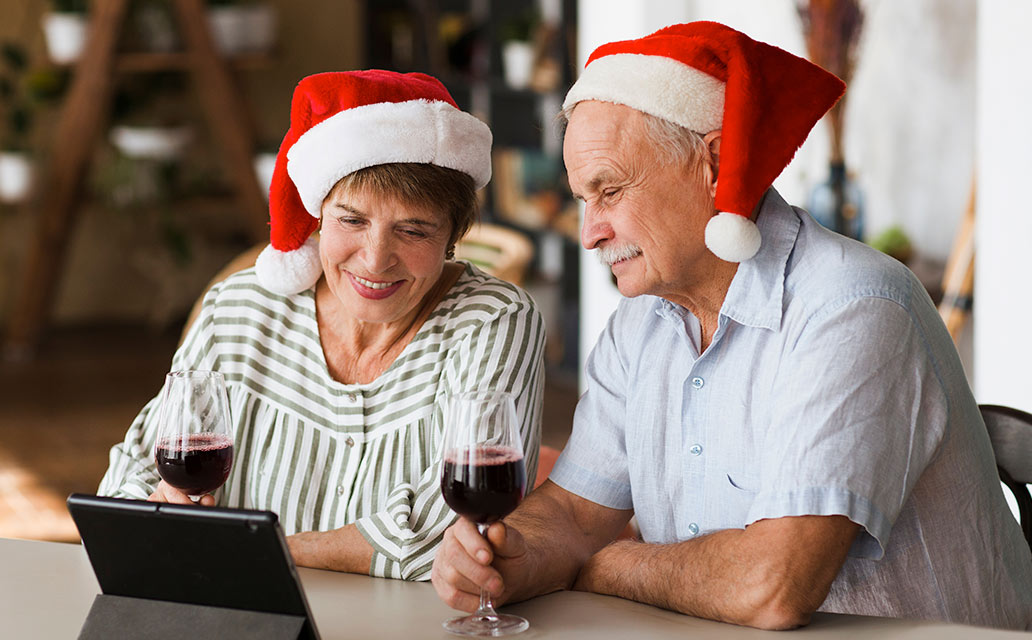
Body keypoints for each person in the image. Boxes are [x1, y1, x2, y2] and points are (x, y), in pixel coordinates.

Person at [432, 21, 1032, 629]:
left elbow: (772, 586)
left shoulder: (853, 307)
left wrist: (603, 566)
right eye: (584, 200)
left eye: (609, 191)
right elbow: (572, 515)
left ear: (714, 165)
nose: (591, 233)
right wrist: (506, 558)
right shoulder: (638, 324)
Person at [99, 70, 545, 581]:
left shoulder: (493, 320)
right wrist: (158, 506)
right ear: (316, 216)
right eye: (351, 221)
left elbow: (451, 534)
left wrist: (256, 552)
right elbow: (128, 477)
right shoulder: (237, 310)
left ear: (452, 236)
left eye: (413, 229)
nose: (375, 261)